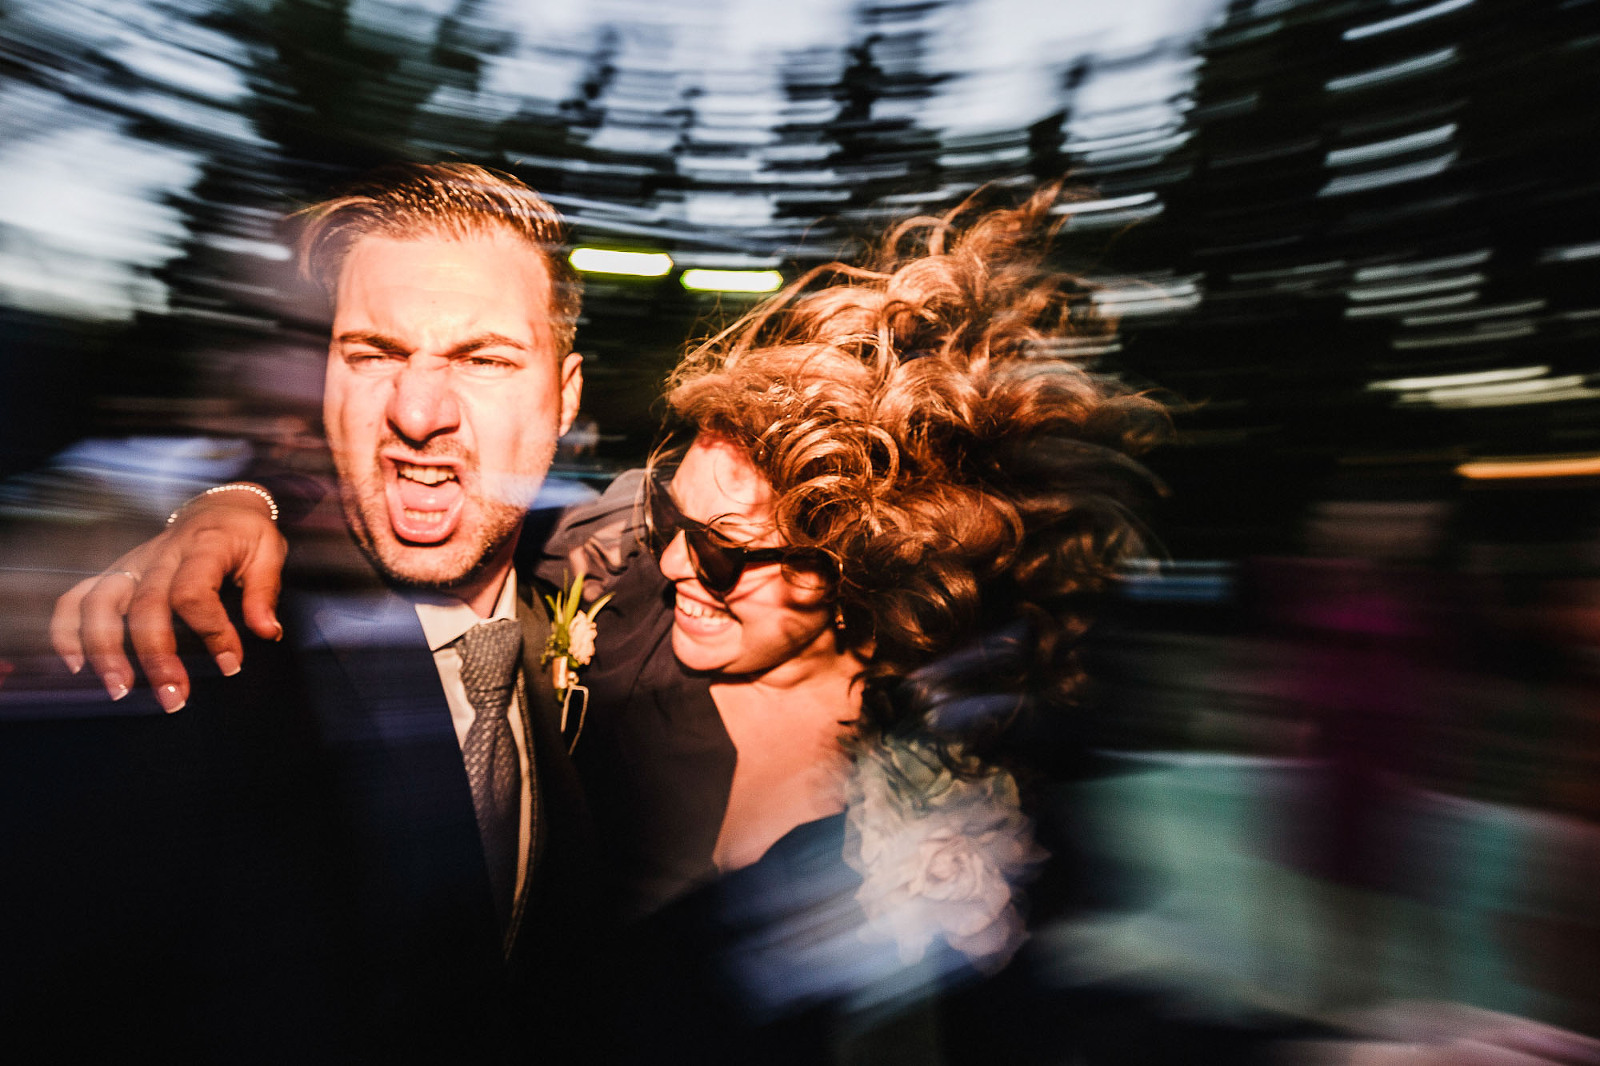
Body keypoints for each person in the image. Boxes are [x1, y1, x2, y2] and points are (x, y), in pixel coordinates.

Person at [51, 185, 1167, 1058]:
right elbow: (435, 497)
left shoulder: (952, 794)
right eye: (678, 512)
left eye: (727, 553)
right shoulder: (616, 588)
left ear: (860, 576)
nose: (679, 557)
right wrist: (222, 506)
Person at [3, 163, 594, 1064]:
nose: (419, 411)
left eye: (484, 360)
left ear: (568, 394)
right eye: (374, 354)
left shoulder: (633, 583)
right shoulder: (184, 668)